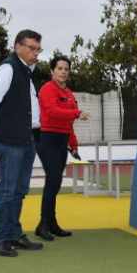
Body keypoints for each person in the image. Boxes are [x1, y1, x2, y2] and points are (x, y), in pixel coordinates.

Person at [0, 29, 46, 257]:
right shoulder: (8, 69)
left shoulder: (27, 72)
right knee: (8, 191)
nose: (35, 53)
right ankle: (1, 239)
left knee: (19, 190)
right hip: (10, 140)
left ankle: (14, 234)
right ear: (17, 46)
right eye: (31, 48)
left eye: (38, 49)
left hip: (27, 139)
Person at [35, 55, 88, 241]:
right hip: (46, 138)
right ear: (52, 71)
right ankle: (43, 224)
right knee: (53, 180)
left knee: (55, 182)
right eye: (59, 68)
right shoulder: (47, 89)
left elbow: (68, 122)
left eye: (66, 69)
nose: (63, 72)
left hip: (62, 139)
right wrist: (77, 112)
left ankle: (50, 223)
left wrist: (73, 144)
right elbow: (52, 112)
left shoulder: (69, 93)